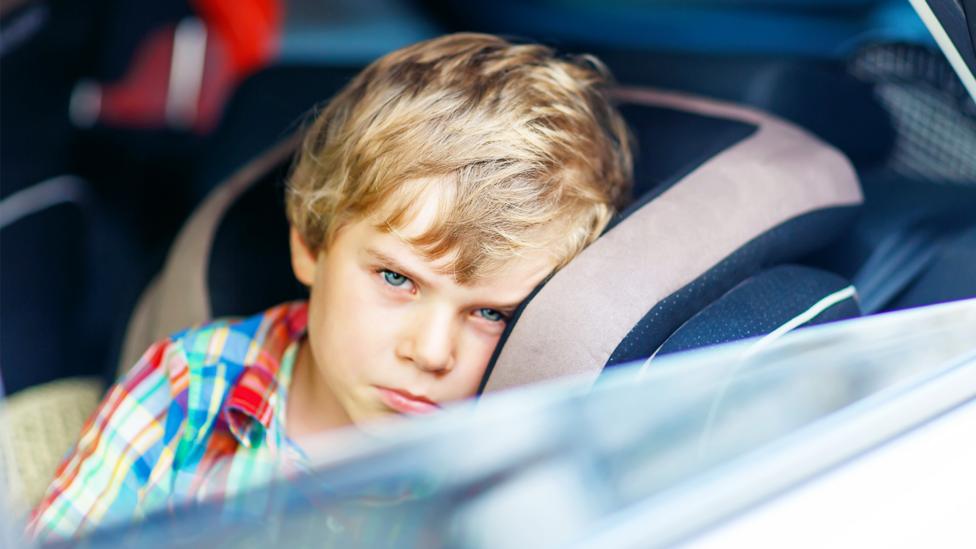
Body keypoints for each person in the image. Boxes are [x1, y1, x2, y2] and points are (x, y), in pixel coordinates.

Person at [28, 32, 633, 540]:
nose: (429, 351)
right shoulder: (193, 391)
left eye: (492, 314)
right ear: (311, 245)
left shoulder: (510, 463)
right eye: (397, 278)